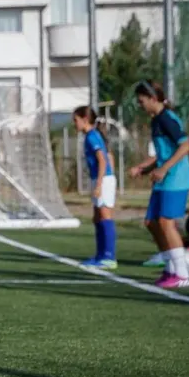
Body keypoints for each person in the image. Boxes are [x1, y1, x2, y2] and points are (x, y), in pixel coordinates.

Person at [128, 80, 189, 289]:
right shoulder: (156, 120)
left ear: (153, 98)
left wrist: (164, 168)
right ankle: (170, 268)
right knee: (151, 223)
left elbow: (185, 146)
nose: (140, 105)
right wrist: (145, 168)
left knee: (166, 223)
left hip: (176, 179)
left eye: (141, 101)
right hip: (164, 180)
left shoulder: (167, 118)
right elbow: (164, 153)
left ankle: (183, 274)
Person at [73, 106, 118, 270]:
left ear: (85, 119)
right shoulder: (91, 136)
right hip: (101, 179)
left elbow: (103, 160)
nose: (74, 124)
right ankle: (100, 255)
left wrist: (100, 184)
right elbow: (109, 156)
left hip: (103, 179)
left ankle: (109, 256)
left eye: (76, 120)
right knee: (97, 217)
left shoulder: (92, 136)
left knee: (105, 215)